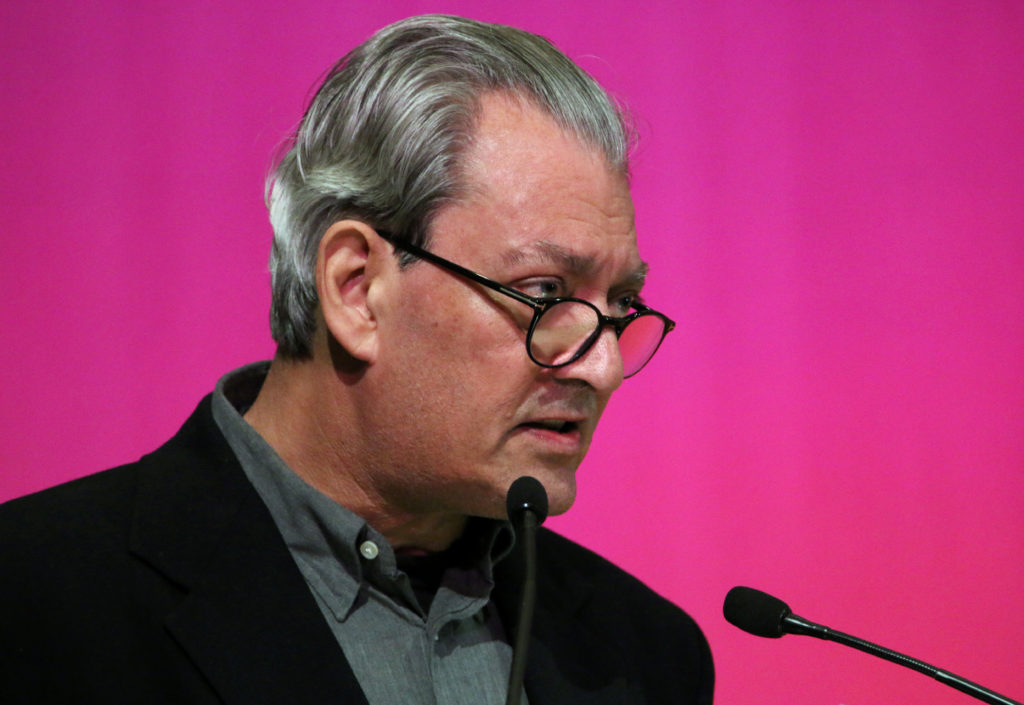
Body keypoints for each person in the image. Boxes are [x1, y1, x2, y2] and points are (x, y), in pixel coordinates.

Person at [0, 14, 713, 704]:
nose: (603, 368)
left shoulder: (647, 654)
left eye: (620, 305)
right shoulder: (36, 602)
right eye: (543, 293)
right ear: (356, 290)